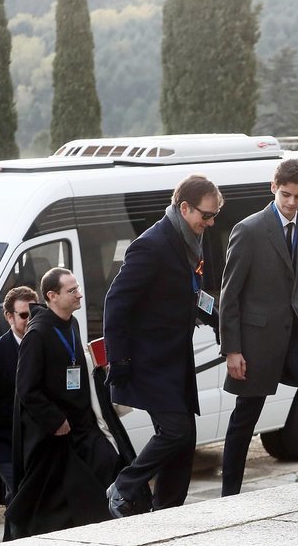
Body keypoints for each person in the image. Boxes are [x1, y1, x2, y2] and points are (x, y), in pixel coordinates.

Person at [103, 174, 224, 517]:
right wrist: (120, 360)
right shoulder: (152, 244)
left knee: (185, 442)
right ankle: (123, 486)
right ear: (184, 207)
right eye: (206, 215)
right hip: (148, 362)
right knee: (175, 431)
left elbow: (194, 296)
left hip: (176, 361)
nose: (211, 222)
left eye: (214, 215)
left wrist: (223, 320)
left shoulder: (189, 242)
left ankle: (169, 512)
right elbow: (116, 303)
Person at [219, 158, 298, 495]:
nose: (291, 202)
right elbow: (229, 295)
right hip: (255, 341)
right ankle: (229, 493)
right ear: (273, 187)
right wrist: (233, 349)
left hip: (296, 335)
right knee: (245, 419)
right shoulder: (249, 229)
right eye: (285, 194)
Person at [5, 269, 120, 538]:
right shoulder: (37, 334)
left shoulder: (72, 323)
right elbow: (26, 389)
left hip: (82, 426)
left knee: (109, 463)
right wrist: (55, 420)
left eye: (77, 288)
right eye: (72, 290)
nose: (79, 294)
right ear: (52, 296)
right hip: (54, 434)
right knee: (49, 503)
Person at [0, 287, 37, 502]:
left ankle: (15, 534)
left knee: (22, 498)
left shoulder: (45, 345)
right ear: (9, 316)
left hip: (36, 441)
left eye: (35, 313)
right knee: (21, 495)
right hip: (3, 442)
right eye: (24, 314)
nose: (30, 319)